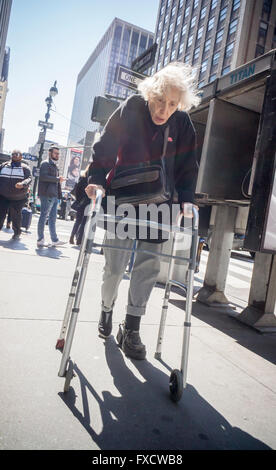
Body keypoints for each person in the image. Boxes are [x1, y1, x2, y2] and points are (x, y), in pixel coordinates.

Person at [85, 62, 200, 360]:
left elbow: (188, 166)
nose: (164, 109)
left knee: (148, 267)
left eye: (172, 104)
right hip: (123, 200)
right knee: (114, 265)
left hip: (161, 205)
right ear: (150, 93)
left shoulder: (182, 123)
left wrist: (187, 199)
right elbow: (106, 144)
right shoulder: (132, 107)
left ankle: (132, 327)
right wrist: (96, 181)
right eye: (160, 100)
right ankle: (106, 310)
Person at [37, 144, 67, 247]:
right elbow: (43, 177)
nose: (58, 155)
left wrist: (59, 195)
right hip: (46, 194)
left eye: (58, 154)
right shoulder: (45, 164)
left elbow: (55, 182)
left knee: (53, 218)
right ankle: (40, 239)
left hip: (53, 195)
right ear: (50, 153)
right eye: (56, 153)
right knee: (43, 216)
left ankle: (54, 240)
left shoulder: (54, 165)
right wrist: (58, 179)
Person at [0, 150, 32, 240]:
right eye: (13, 154)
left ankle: (17, 232)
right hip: (3, 196)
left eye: (16, 154)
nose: (14, 156)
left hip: (18, 197)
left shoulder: (25, 168)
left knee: (16, 216)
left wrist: (22, 184)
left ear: (21, 157)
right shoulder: (4, 165)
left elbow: (29, 178)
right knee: (0, 214)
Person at [69, 165, 90, 245]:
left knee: (78, 221)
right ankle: (79, 239)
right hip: (87, 202)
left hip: (80, 203)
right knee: (84, 222)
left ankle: (72, 237)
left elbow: (77, 190)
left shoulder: (82, 178)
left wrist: (78, 200)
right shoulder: (91, 180)